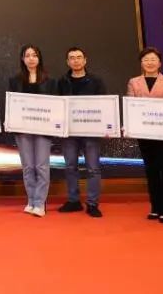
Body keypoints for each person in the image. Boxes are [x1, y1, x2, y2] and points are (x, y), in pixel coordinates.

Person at [126, 47, 163, 223]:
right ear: (141, 63)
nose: (149, 62)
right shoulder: (134, 82)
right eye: (146, 60)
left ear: (160, 63)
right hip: (144, 134)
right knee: (151, 170)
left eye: (153, 59)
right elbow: (130, 106)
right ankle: (156, 207)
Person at [57, 46, 108, 218]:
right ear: (67, 62)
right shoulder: (61, 82)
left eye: (79, 57)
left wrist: (106, 126)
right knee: (70, 166)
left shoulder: (96, 81)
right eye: (72, 58)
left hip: (91, 132)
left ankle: (92, 204)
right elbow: (56, 106)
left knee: (93, 168)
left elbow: (105, 105)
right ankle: (73, 201)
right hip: (69, 132)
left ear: (85, 60)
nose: (76, 60)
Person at [8, 44, 56, 218]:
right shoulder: (15, 80)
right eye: (27, 55)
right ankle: (31, 200)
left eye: (34, 55)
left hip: (43, 129)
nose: (31, 58)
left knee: (41, 166)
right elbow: (11, 104)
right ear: (22, 59)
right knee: (28, 166)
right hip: (23, 129)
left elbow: (55, 105)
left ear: (39, 58)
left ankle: (40, 202)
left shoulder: (50, 81)